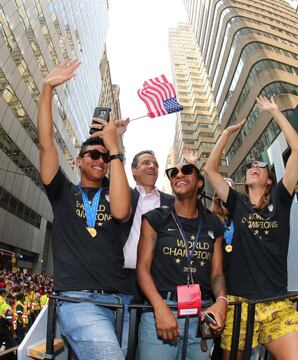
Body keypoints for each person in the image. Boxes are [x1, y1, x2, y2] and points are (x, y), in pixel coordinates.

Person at [38, 59, 131, 360]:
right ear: (78, 160)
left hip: (121, 303)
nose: (99, 159)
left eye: (105, 157)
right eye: (92, 153)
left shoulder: (116, 190)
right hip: (78, 301)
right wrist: (47, 90)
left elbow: (120, 212)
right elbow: (46, 143)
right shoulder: (63, 192)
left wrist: (114, 147)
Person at [203, 95, 298, 359]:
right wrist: (225, 134)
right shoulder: (236, 203)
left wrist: (275, 112)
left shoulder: (281, 200)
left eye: (260, 166)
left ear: (270, 180)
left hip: (277, 305)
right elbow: (210, 169)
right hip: (240, 306)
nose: (253, 167)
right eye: (250, 166)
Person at [136, 162, 227, 359]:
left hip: (201, 314)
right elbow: (142, 268)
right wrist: (160, 308)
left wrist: (221, 300)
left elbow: (217, 273)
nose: (178, 174)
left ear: (200, 183)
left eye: (186, 171)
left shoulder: (214, 223)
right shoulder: (155, 218)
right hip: (161, 311)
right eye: (173, 173)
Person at [118, 150, 174, 355]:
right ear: (134, 170)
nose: (152, 166)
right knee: (125, 339)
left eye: (155, 164)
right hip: (123, 280)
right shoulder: (123, 196)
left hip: (156, 282)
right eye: (146, 163)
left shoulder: (171, 202)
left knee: (153, 338)